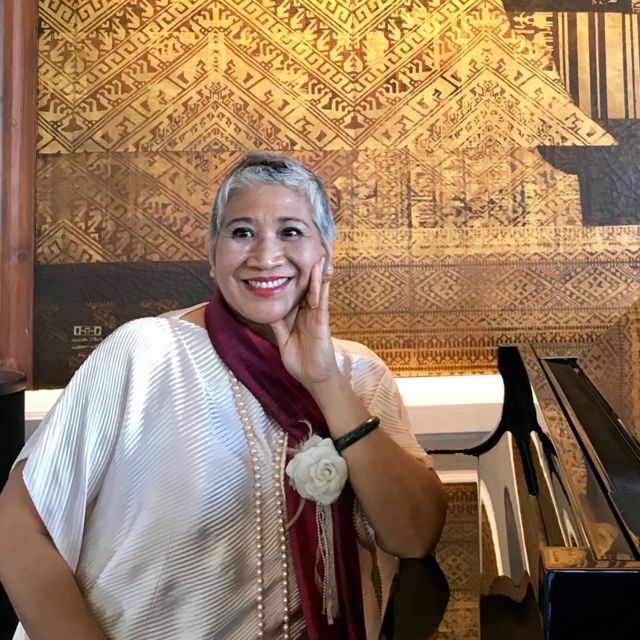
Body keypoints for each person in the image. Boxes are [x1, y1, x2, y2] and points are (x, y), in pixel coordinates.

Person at [0, 152, 447, 640]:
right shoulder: (146, 352)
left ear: (326, 253)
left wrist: (326, 382)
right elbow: (17, 527)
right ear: (213, 254)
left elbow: (414, 536)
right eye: (242, 232)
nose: (266, 256)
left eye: (291, 231)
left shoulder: (359, 374)